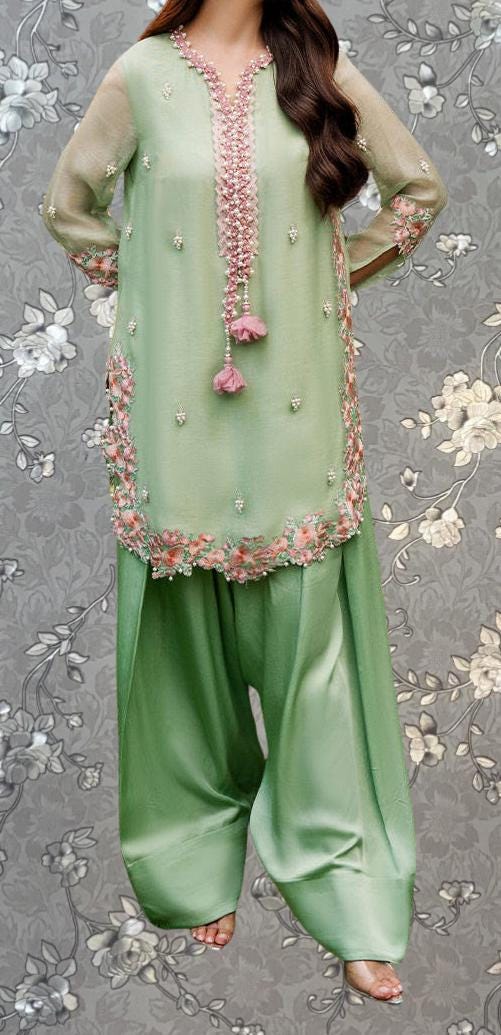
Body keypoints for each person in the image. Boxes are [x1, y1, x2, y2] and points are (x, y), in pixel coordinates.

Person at [41, 0, 448, 1005]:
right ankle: (193, 857)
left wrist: (326, 279)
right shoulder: (141, 78)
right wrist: (149, 296)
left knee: (310, 655)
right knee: (185, 643)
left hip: (295, 413)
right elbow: (72, 205)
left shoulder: (318, 66)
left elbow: (415, 193)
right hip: (174, 410)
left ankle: (347, 899)